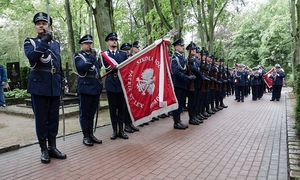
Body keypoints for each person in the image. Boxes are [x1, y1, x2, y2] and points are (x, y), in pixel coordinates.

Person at [24, 12, 66, 163]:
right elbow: (32, 58)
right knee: (41, 120)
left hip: (54, 85)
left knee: (53, 119)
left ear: (49, 25)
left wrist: (62, 79)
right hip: (39, 86)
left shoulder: (55, 44)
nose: (41, 25)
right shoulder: (30, 42)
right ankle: (43, 150)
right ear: (35, 26)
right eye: (38, 23)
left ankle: (52, 147)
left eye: (44, 23)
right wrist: (44, 41)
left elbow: (58, 64)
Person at [73, 34, 103, 146]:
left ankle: (91, 134)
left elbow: (97, 69)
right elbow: (83, 68)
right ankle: (85, 136)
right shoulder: (78, 56)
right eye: (86, 43)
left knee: (91, 113)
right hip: (85, 88)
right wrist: (92, 57)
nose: (89, 45)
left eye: (90, 43)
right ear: (81, 45)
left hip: (95, 88)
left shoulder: (93, 56)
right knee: (84, 114)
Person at [101, 32, 129, 139]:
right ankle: (114, 131)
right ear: (108, 42)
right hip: (111, 84)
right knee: (113, 109)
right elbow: (105, 66)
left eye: (115, 40)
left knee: (121, 109)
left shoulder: (123, 54)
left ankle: (121, 130)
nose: (114, 41)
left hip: (121, 84)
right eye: (112, 40)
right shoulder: (104, 55)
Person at [171, 38, 195, 130]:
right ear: (176, 47)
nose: (182, 47)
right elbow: (176, 72)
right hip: (178, 84)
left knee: (181, 103)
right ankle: (176, 122)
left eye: (182, 45)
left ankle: (179, 120)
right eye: (181, 46)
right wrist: (187, 77)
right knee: (177, 103)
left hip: (183, 84)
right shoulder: (174, 58)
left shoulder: (182, 58)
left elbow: (185, 69)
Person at [119, 42, 139, 133]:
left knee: (130, 106)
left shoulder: (130, 58)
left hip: (131, 85)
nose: (127, 51)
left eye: (128, 50)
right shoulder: (121, 60)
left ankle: (130, 123)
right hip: (124, 85)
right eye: (125, 50)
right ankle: (126, 125)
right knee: (124, 107)